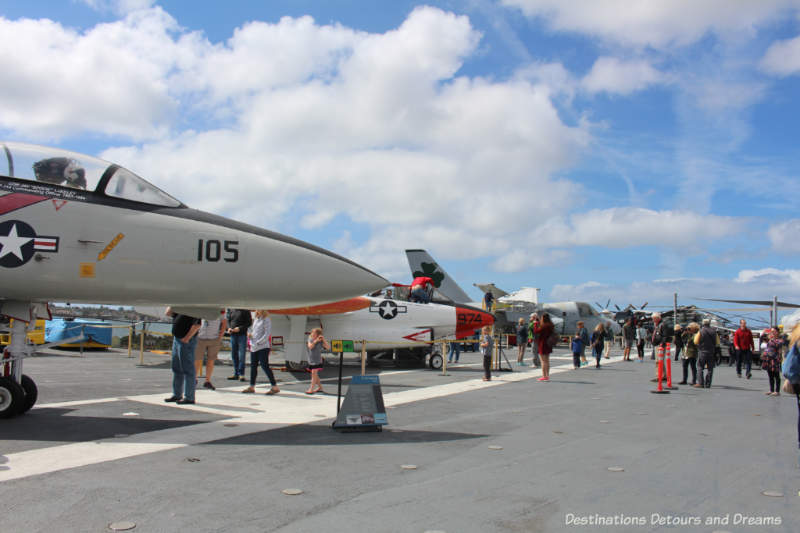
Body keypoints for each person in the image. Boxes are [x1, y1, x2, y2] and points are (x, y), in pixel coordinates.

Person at [164, 307, 201, 405]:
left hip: (185, 340)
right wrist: (172, 305)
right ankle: (177, 394)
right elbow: (168, 313)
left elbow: (197, 324)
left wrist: (187, 338)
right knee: (177, 368)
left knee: (188, 369)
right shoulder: (180, 307)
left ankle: (189, 397)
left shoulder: (194, 308)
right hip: (177, 339)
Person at [242, 310, 279, 395]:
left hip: (262, 346)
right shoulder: (256, 319)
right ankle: (252, 386)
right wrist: (249, 334)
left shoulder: (266, 319)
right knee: (253, 366)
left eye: (258, 310)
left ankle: (274, 386)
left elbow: (267, 333)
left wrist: (259, 342)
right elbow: (251, 329)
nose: (257, 311)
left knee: (264, 366)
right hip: (254, 346)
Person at [193, 310, 227, 391]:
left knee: (211, 360)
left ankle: (207, 381)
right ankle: (194, 379)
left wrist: (220, 336)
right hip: (201, 337)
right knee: (197, 359)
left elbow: (224, 322)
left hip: (214, 338)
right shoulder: (203, 307)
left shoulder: (220, 309)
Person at [226, 308, 252, 381]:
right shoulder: (231, 310)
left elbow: (249, 322)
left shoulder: (245, 310)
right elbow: (228, 320)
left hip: (242, 335)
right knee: (234, 355)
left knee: (241, 355)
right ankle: (236, 373)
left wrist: (240, 328)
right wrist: (229, 328)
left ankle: (241, 374)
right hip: (233, 334)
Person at [695, 318, 719, 388]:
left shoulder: (701, 331)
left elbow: (695, 341)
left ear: (703, 323)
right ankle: (708, 383)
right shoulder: (714, 332)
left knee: (700, 367)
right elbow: (717, 342)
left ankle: (701, 383)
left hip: (702, 351)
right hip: (711, 352)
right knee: (710, 369)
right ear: (709, 324)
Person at [306, 327, 330, 394]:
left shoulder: (321, 341)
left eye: (314, 333)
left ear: (318, 334)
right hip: (311, 359)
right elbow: (310, 346)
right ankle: (320, 387)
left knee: (314, 373)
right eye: (312, 333)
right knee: (315, 375)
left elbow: (328, 347)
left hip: (317, 360)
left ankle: (311, 389)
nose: (312, 334)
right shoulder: (310, 339)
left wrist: (323, 340)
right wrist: (315, 341)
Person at [761, 328, 783, 396]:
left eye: (774, 331)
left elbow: (779, 351)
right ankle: (771, 390)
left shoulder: (779, 341)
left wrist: (779, 359)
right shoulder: (770, 340)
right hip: (768, 359)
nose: (772, 332)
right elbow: (762, 339)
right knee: (770, 375)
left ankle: (777, 391)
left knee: (776, 375)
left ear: (777, 332)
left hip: (775, 360)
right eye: (771, 331)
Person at [533, 313, 555, 381]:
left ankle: (544, 376)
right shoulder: (551, 325)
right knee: (547, 361)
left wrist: (535, 323)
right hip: (549, 344)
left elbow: (536, 331)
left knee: (543, 361)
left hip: (542, 344)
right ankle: (547, 375)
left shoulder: (543, 326)